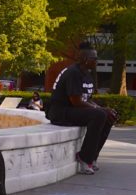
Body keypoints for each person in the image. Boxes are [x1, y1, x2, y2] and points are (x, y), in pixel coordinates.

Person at [48, 42, 117, 175]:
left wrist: (103, 108)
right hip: (61, 112)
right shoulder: (73, 73)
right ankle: (84, 158)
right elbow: (76, 101)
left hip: (74, 109)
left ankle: (93, 156)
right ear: (85, 59)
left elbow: (86, 98)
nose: (97, 61)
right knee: (100, 115)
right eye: (94, 58)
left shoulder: (87, 74)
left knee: (108, 116)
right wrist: (101, 110)